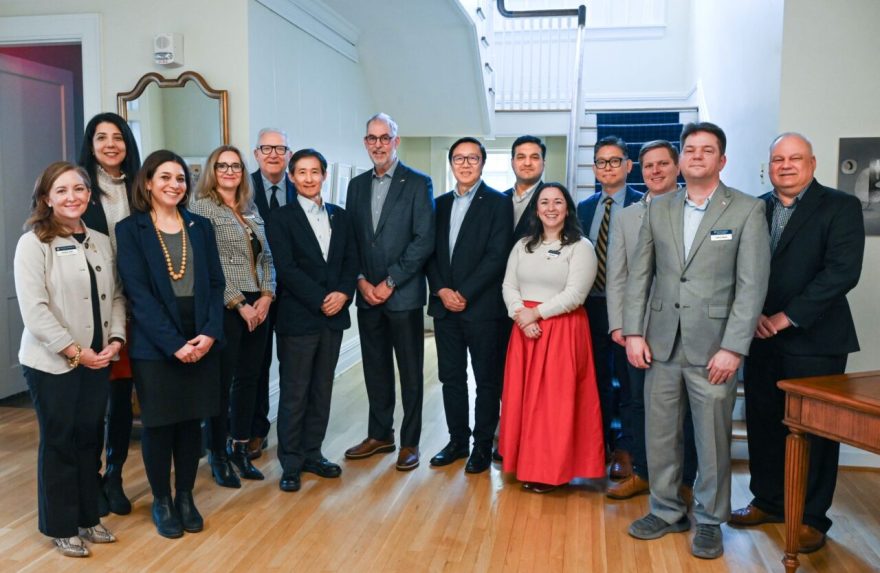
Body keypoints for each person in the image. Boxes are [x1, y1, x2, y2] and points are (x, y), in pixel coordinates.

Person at [623, 122, 770, 559]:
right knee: (661, 434)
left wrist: (734, 346)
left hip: (715, 349)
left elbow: (752, 286)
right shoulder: (659, 207)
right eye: (690, 150)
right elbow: (641, 275)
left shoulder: (745, 210)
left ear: (721, 160)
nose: (697, 156)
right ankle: (666, 510)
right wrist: (633, 332)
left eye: (707, 150)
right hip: (661, 342)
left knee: (712, 439)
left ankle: (709, 519)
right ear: (682, 160)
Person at [730, 133, 865, 553]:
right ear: (768, 166)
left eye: (795, 158)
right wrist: (749, 317)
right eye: (777, 159)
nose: (785, 165)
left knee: (817, 433)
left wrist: (784, 318)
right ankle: (769, 500)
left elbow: (841, 272)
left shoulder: (840, 207)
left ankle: (811, 517)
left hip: (815, 340)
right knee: (764, 422)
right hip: (760, 338)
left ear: (812, 162)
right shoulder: (754, 208)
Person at [14, 162, 125, 557]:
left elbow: (115, 296)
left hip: (99, 357)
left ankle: (88, 516)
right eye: (61, 191)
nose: (72, 197)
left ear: (89, 196)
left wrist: (115, 340)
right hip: (53, 363)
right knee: (60, 442)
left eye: (79, 189)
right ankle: (61, 526)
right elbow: (35, 310)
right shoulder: (34, 243)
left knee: (88, 439)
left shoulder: (99, 240)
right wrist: (76, 352)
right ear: (46, 198)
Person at [115, 150, 225, 539]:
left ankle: (185, 497)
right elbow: (138, 295)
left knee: (191, 421)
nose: (174, 184)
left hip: (201, 335)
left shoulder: (201, 226)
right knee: (160, 425)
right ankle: (161, 500)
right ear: (147, 183)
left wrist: (209, 333)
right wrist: (174, 344)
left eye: (180, 178)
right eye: (165, 177)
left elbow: (215, 284)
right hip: (154, 343)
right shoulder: (130, 230)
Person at [604, 140, 698, 502]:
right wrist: (620, 325)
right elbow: (618, 274)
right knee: (638, 401)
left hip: (685, 326)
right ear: (639, 171)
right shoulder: (627, 216)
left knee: (686, 407)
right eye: (648, 166)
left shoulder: (694, 210)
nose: (655, 171)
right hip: (639, 328)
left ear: (677, 167)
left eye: (663, 164)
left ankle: (686, 481)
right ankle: (642, 472)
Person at [343, 112, 435, 471]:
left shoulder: (417, 183)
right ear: (366, 143)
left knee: (410, 372)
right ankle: (380, 434)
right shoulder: (356, 186)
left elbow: (423, 239)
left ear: (396, 142)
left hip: (403, 296)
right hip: (367, 296)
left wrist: (390, 281)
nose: (378, 144)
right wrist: (362, 282)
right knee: (375, 369)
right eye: (372, 138)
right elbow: (351, 240)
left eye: (385, 138)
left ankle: (410, 442)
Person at [499, 182, 605, 493]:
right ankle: (525, 464)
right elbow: (508, 286)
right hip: (524, 331)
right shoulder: (522, 245)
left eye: (558, 202)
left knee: (554, 406)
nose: (550, 208)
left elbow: (576, 294)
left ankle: (550, 470)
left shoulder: (581, 247)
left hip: (561, 331)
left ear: (568, 208)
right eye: (544, 202)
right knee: (523, 401)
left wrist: (537, 314)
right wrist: (521, 314)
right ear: (536, 209)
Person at [266, 148, 357, 492]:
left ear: (324, 175)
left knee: (322, 389)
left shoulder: (341, 216)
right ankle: (291, 462)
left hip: (333, 319)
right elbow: (285, 268)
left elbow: (351, 260)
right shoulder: (281, 218)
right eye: (301, 172)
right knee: (294, 392)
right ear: (291, 177)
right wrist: (321, 299)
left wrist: (344, 293)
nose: (308, 178)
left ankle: (313, 453)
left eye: (314, 172)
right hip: (298, 318)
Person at [426, 137, 512, 474]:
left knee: (487, 381)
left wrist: (464, 292)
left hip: (482, 309)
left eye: (472, 158)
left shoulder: (497, 203)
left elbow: (497, 255)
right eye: (459, 158)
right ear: (451, 163)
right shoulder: (439, 204)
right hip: (445, 308)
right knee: (451, 378)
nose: (465, 164)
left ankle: (482, 445)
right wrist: (443, 290)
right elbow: (429, 253)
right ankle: (457, 441)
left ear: (482, 163)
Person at [190, 145, 275, 488]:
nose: (229, 172)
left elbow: (267, 257)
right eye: (222, 166)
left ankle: (240, 446)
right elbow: (209, 265)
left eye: (236, 166)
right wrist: (239, 304)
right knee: (221, 383)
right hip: (227, 306)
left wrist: (267, 296)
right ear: (212, 170)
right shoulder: (201, 209)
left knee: (250, 380)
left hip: (260, 304)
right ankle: (218, 454)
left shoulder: (249, 208)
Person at [78, 111, 141, 516]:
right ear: (91, 144)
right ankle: (89, 478)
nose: (111, 144)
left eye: (117, 137)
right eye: (102, 138)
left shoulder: (140, 188)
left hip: (132, 304)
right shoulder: (78, 189)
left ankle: (114, 475)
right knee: (90, 399)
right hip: (91, 305)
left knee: (120, 397)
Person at [576, 136, 643, 481]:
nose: (607, 168)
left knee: (631, 384)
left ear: (629, 166)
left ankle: (626, 449)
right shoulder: (584, 208)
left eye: (614, 161)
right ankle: (596, 444)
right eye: (601, 162)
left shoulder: (644, 205)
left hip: (630, 310)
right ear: (594, 169)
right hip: (590, 308)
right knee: (596, 381)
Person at [247, 128, 296, 460]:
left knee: (292, 365)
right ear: (257, 153)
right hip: (255, 291)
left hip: (294, 293)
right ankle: (255, 431)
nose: (274, 154)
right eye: (267, 148)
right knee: (256, 364)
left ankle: (294, 434)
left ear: (288, 154)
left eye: (280, 148)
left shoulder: (302, 188)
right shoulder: (241, 188)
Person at [504, 135, 545, 242]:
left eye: (534, 157)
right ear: (512, 163)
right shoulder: (498, 199)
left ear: (544, 163)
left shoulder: (553, 200)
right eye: (521, 157)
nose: (527, 163)